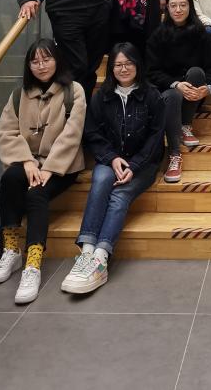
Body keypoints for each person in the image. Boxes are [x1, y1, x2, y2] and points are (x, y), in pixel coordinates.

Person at [61, 42, 164, 295]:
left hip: (143, 163)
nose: (123, 69)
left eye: (128, 63)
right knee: (100, 182)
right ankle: (86, 251)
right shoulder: (101, 96)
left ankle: (100, 258)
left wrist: (134, 165)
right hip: (111, 159)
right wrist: (112, 158)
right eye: (118, 65)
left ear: (137, 65)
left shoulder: (152, 96)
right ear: (111, 69)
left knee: (119, 195)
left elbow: (155, 137)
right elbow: (92, 133)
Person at [0, 39, 86, 304]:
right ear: (28, 65)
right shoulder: (18, 94)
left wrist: (50, 169)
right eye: (35, 61)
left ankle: (32, 264)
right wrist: (27, 161)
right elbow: (6, 132)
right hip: (29, 161)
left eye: (46, 59)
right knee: (10, 177)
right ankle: (11, 250)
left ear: (57, 60)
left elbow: (72, 135)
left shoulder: (74, 90)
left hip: (63, 166)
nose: (41, 66)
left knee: (36, 193)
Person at [146, 0, 211, 184]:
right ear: (167, 9)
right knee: (173, 95)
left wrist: (208, 88)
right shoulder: (158, 35)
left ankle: (186, 125)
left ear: (190, 7)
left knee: (196, 72)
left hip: (194, 94)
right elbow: (151, 72)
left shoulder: (201, 33)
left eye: (183, 5)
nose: (178, 10)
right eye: (173, 6)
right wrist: (175, 84)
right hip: (169, 93)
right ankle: (175, 154)